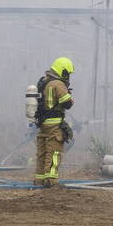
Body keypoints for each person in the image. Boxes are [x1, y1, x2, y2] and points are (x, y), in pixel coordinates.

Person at [34, 57, 75, 187]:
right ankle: (51, 181)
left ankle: (39, 180)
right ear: (63, 71)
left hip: (43, 124)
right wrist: (68, 94)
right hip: (54, 125)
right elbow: (67, 103)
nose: (68, 76)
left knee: (42, 154)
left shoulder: (43, 81)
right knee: (54, 153)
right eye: (68, 73)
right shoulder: (57, 83)